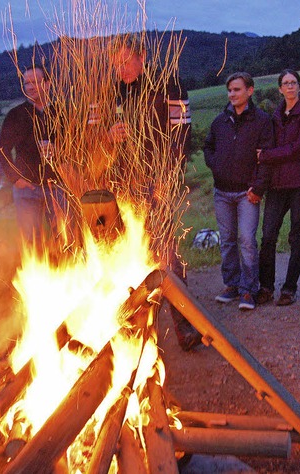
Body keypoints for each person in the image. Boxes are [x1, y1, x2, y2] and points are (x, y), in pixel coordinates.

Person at [107, 34, 201, 350]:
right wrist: (110, 136)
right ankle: (132, 331)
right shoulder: (113, 92)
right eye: (114, 63)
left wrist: (168, 177)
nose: (120, 69)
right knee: (127, 255)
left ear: (142, 56)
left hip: (158, 183)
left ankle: (186, 325)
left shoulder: (169, 86)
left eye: (124, 61)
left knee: (167, 256)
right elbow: (98, 140)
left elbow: (182, 135)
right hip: (125, 188)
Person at [203, 72, 273, 311]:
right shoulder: (220, 121)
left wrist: (259, 187)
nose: (232, 94)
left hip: (247, 193)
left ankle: (248, 289)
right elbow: (208, 146)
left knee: (246, 240)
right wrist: (215, 164)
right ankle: (231, 285)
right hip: (222, 191)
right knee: (228, 241)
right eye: (230, 90)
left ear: (250, 91)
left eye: (237, 90)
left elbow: (267, 157)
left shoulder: (262, 121)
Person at [256, 69, 300, 306]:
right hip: (278, 183)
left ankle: (289, 288)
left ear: (299, 87)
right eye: (286, 83)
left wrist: (268, 156)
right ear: (280, 89)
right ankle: (266, 286)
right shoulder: (276, 115)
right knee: (268, 234)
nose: (290, 86)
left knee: (296, 235)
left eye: (294, 82)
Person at [0, 66, 67, 248]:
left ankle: (65, 273)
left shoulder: (63, 112)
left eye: (35, 82)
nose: (30, 87)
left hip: (58, 186)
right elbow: (2, 150)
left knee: (64, 238)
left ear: (48, 83)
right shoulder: (16, 115)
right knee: (31, 242)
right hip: (27, 188)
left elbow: (77, 146)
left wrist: (58, 151)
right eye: (27, 83)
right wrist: (15, 179)